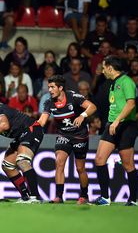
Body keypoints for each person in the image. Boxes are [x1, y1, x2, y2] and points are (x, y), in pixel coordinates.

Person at [37, 75, 97, 204]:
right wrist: (30, 126)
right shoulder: (49, 102)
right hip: (63, 135)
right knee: (59, 163)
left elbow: (92, 107)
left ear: (60, 87)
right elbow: (42, 121)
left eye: (53, 87)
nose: (50, 90)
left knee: (80, 168)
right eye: (49, 87)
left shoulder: (73, 97)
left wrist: (82, 115)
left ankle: (84, 196)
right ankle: (58, 196)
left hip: (80, 136)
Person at [93, 55, 138, 206]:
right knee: (99, 160)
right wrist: (112, 122)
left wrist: (118, 121)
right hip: (112, 124)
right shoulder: (112, 83)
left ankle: (133, 199)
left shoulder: (127, 82)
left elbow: (131, 104)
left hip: (127, 125)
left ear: (110, 68)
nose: (102, 70)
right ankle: (105, 197)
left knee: (127, 164)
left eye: (104, 67)